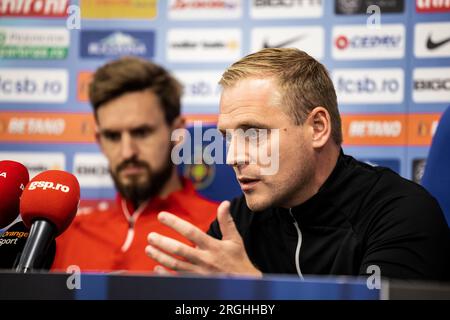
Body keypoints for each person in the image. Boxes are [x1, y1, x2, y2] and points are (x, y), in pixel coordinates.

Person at [145, 48, 450, 281]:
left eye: (253, 133)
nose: (232, 157)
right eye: (227, 137)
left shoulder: (400, 214)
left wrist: (254, 290)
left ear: (317, 127)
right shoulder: (237, 223)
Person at [51, 57, 218, 272]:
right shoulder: (67, 234)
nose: (127, 152)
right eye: (112, 136)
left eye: (141, 132)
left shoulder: (219, 231)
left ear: (178, 134)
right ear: (100, 141)